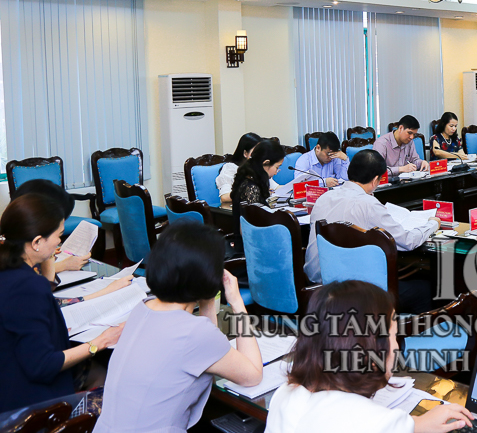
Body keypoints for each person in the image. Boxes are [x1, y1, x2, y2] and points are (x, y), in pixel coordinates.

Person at [94, 223, 263, 433]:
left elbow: (208, 345)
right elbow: (253, 375)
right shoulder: (194, 334)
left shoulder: (143, 308)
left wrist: (207, 299)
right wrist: (237, 303)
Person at [265, 280, 473, 433]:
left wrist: (413, 425)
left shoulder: (284, 395)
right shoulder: (375, 422)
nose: (396, 347)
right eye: (394, 336)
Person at [0, 194, 124, 412]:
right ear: (37, 242)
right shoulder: (28, 286)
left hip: (11, 371)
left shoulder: (10, 269)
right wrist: (101, 341)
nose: (60, 242)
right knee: (119, 390)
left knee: (96, 370)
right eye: (58, 235)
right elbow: (43, 365)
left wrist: (47, 268)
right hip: (26, 403)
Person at [304, 150, 437, 312]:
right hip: (357, 295)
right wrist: (432, 224)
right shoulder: (368, 204)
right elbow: (408, 242)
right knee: (424, 289)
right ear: (375, 180)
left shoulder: (323, 198)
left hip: (319, 287)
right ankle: (397, 328)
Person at [230, 138, 284, 220]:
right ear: (266, 163)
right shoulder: (251, 188)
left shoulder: (253, 177)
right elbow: (257, 221)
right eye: (277, 167)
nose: (276, 172)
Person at [217, 132, 272, 204]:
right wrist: (251, 193)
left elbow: (275, 187)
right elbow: (224, 197)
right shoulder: (230, 168)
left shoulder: (258, 166)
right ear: (245, 153)